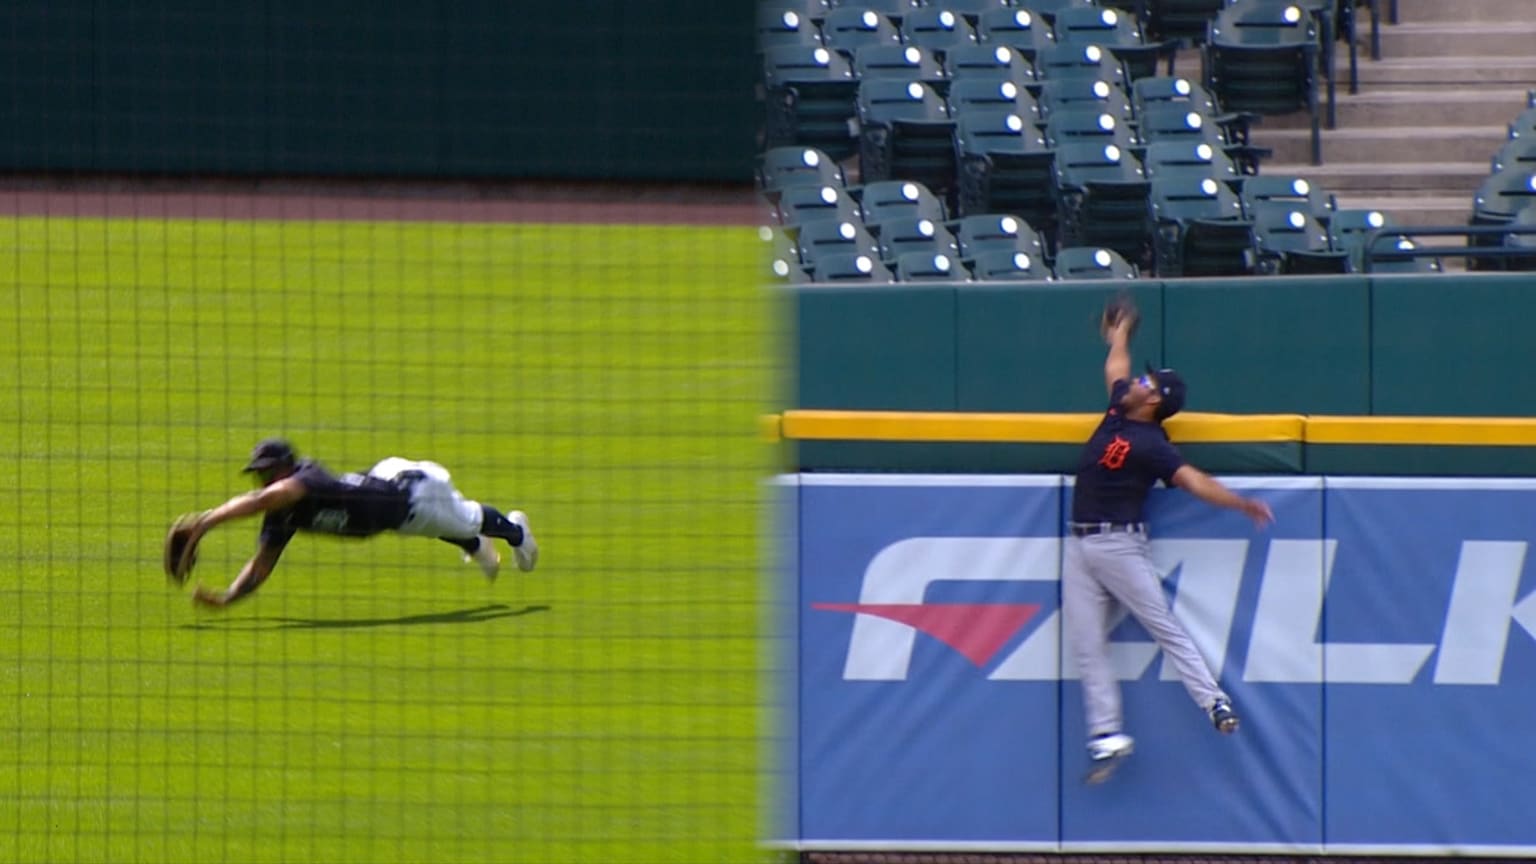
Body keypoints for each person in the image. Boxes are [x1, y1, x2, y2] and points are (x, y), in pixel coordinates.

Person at [1066, 309, 1273, 784]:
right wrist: (1119, 335)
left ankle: (1213, 700)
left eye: (1149, 381)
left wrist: (1241, 504)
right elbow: (1116, 368)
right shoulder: (1120, 406)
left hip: (1119, 544)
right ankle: (1106, 737)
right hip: (1079, 545)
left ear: (1156, 402)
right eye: (1145, 376)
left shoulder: (1151, 442)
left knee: (1164, 626)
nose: (1139, 380)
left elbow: (1194, 481)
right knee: (1086, 643)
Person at [178, 438, 539, 609]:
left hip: (414, 493)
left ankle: (517, 532)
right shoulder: (283, 512)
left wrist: (204, 524)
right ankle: (475, 546)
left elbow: (260, 501)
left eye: (268, 471)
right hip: (387, 492)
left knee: (469, 519)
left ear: (287, 466)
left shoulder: (307, 478)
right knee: (436, 525)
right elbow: (261, 564)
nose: (262, 479)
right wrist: (228, 598)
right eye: (258, 473)